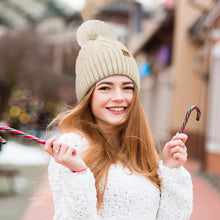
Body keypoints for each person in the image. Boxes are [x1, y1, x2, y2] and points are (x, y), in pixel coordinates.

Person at [44, 20, 193, 220]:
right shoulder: (71, 149)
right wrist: (78, 172)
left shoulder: (142, 151)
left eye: (127, 87)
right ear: (89, 96)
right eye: (105, 87)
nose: (119, 97)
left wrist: (171, 170)